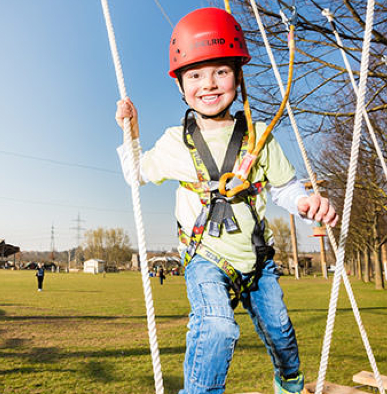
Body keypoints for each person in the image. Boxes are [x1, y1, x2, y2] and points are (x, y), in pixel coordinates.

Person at [115, 8, 338, 394]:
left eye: (221, 71)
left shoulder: (258, 138)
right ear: (181, 84)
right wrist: (130, 131)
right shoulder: (174, 143)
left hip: (257, 261)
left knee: (281, 332)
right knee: (216, 326)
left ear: (237, 75)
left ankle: (290, 382)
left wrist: (304, 204)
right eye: (196, 74)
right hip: (206, 258)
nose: (209, 84)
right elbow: (136, 173)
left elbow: (285, 188)